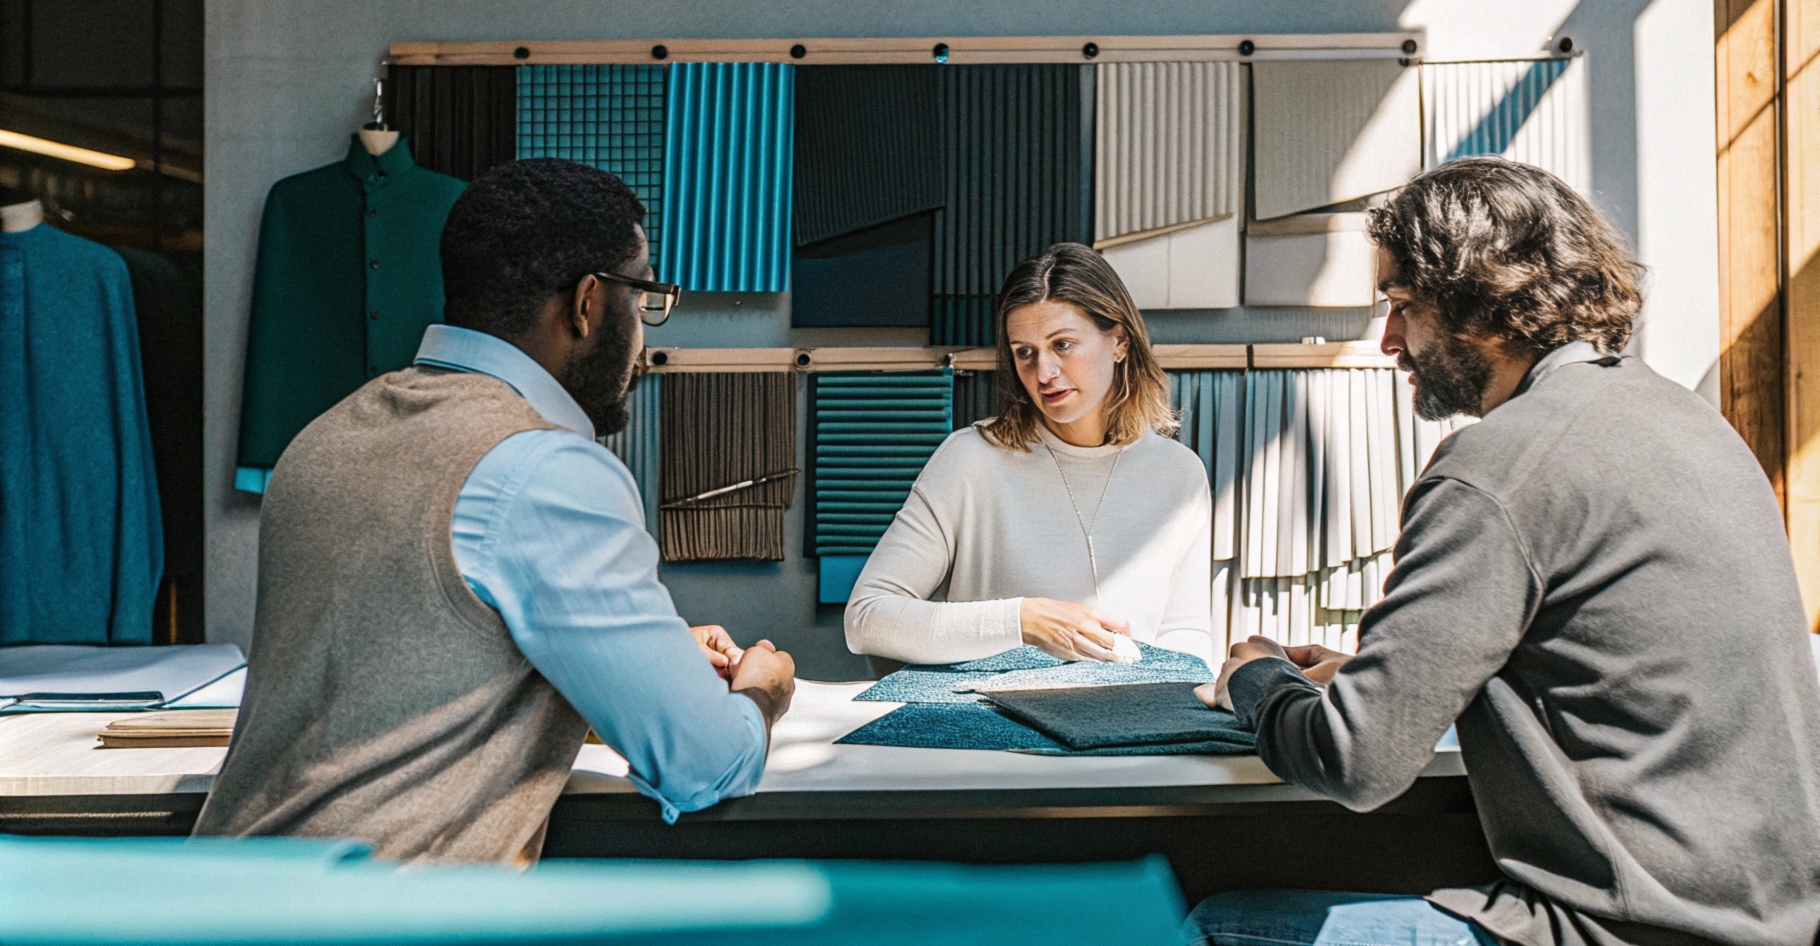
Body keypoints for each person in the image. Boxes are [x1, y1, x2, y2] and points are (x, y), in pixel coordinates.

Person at [1192, 158, 1820, 946]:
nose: (1388, 341)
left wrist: (1259, 680)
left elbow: (1356, 761)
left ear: (1484, 305)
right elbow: (1604, 664)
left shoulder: (1499, 464)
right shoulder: (1690, 424)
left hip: (1619, 930)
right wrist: (1369, 673)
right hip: (1770, 922)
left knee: (1218, 923)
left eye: (1404, 305)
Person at [194, 159, 796, 863]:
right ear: (588, 304)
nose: (644, 338)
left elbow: (402, 658)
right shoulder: (545, 470)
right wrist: (762, 691)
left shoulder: (324, 438)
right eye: (645, 298)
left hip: (225, 903)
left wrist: (637, 652)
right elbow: (704, 764)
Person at [845, 243, 1215, 666]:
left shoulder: (1179, 473)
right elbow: (866, 617)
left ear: (1120, 342)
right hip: (991, 723)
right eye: (1025, 352)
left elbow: (1187, 634)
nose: (1044, 373)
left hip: (1133, 723)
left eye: (1063, 345)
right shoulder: (972, 460)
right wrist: (1022, 620)